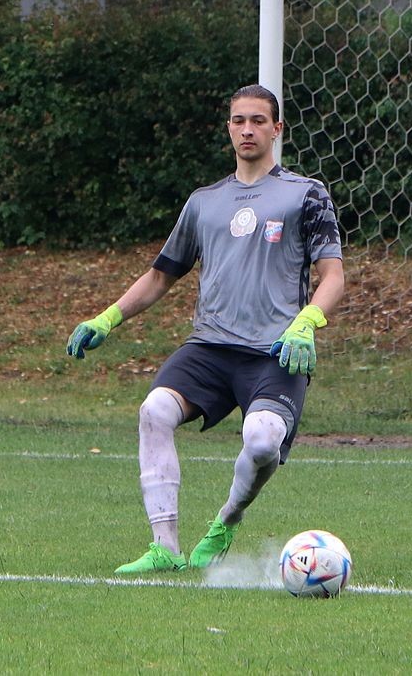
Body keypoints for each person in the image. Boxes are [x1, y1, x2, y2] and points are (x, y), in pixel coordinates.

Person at [65, 84, 344, 574]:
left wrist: (307, 322)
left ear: (277, 129)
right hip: (210, 347)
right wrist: (107, 317)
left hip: (275, 352)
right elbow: (160, 276)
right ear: (228, 129)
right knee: (154, 411)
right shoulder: (204, 202)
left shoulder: (306, 194)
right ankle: (164, 548)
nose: (247, 129)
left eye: (258, 120)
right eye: (239, 120)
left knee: (262, 441)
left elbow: (334, 276)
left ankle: (226, 521)